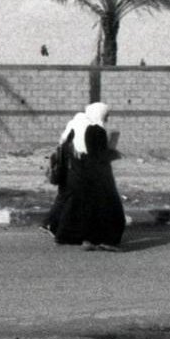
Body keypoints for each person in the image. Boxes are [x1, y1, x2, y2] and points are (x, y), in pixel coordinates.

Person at [46, 102, 126, 250]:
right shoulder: (95, 131)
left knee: (79, 209)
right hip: (97, 177)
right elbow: (97, 157)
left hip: (77, 177)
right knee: (111, 210)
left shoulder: (76, 129)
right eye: (106, 115)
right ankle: (106, 241)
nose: (107, 118)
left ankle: (75, 237)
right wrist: (112, 154)